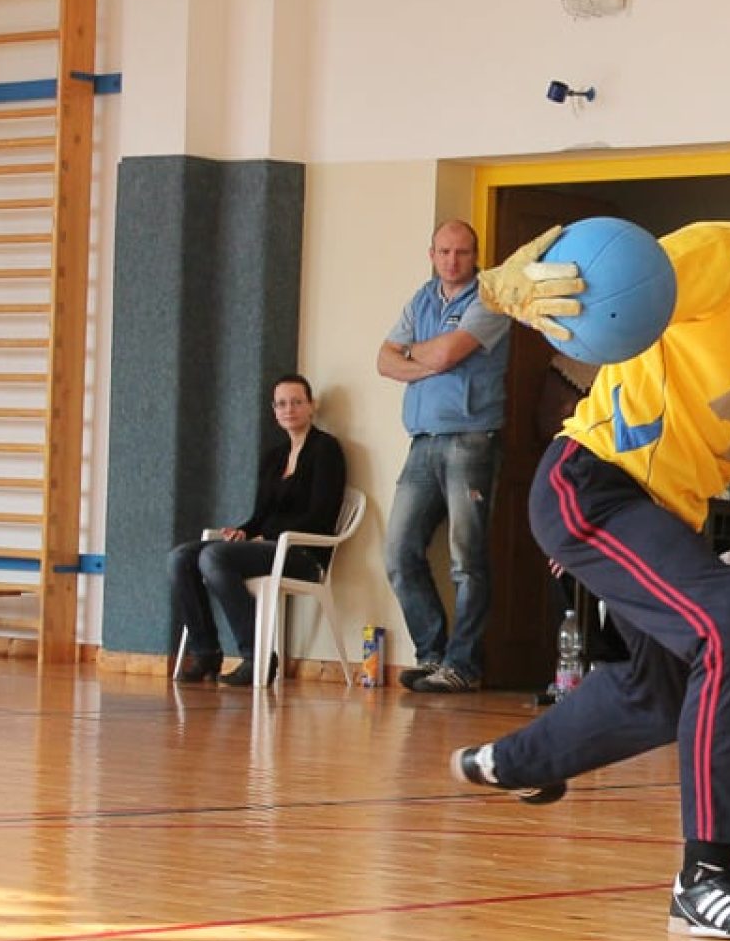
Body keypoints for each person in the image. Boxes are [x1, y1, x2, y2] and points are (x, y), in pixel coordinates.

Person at [449, 118, 730, 941]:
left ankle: (514, 762)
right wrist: (504, 287)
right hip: (592, 483)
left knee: (659, 694)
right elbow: (594, 284)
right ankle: (706, 877)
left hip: (667, 515)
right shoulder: (720, 258)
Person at [376, 219, 511, 693]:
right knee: (398, 552)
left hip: (470, 441)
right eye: (444, 252)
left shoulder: (489, 299)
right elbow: (382, 360)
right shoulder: (422, 298)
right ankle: (432, 656)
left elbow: (446, 356)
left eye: (462, 252)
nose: (453, 260)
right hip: (422, 442)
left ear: (476, 255)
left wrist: (413, 354)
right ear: (431, 254)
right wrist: (421, 356)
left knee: (466, 559)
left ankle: (463, 666)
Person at [169, 375, 348, 686]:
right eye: (281, 404)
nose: (289, 409)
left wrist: (270, 535)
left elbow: (320, 515)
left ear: (311, 406)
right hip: (268, 548)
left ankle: (258, 658)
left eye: (296, 402)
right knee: (180, 557)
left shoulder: (326, 449)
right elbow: (261, 516)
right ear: (274, 410)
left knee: (214, 558)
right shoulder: (273, 456)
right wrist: (243, 531)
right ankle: (206, 652)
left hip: (302, 553)